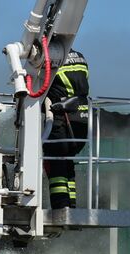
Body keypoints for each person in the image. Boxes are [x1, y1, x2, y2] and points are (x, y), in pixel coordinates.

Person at [42, 49, 90, 210]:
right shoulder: (80, 57)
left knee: (55, 163)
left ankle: (61, 205)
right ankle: (72, 204)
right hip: (81, 119)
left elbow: (41, 87)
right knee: (68, 162)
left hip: (60, 119)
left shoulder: (50, 58)